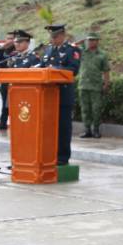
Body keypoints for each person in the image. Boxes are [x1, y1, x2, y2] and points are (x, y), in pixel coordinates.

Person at [40, 23, 80, 164]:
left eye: (55, 36)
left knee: (63, 129)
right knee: (49, 128)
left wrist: (55, 69)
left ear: (62, 35)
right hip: (48, 96)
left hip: (63, 96)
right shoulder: (48, 50)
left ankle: (62, 158)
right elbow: (42, 67)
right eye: (51, 36)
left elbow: (73, 69)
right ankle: (50, 155)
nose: (52, 39)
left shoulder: (72, 50)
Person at [77, 33, 111, 138]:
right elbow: (72, 46)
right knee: (85, 109)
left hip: (96, 85)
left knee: (96, 109)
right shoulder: (82, 52)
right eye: (89, 40)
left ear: (97, 41)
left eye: (93, 40)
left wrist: (106, 83)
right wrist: (80, 41)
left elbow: (106, 71)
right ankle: (87, 130)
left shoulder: (102, 54)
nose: (91, 42)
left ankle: (96, 130)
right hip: (83, 85)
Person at [0, 31, 17, 130]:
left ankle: (15, 124)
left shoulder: (18, 50)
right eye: (8, 38)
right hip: (5, 81)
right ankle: (3, 123)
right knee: (5, 103)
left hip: (16, 81)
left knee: (16, 104)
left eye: (12, 38)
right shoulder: (2, 51)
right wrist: (1, 49)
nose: (9, 41)